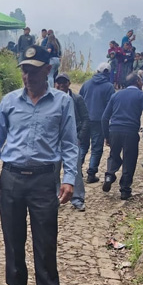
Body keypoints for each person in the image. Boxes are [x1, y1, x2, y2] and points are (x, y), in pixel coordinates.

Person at [0, 45, 78, 285]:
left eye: (34, 71)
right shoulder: (9, 101)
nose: (28, 76)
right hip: (11, 178)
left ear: (48, 70)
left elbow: (70, 144)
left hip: (43, 180)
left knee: (45, 242)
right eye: (24, 70)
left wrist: (69, 178)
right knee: (13, 240)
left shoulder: (62, 102)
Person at [101, 73, 143, 200]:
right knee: (129, 160)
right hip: (130, 131)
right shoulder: (141, 95)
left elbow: (104, 117)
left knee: (114, 155)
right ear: (137, 81)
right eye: (141, 80)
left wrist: (106, 136)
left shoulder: (116, 95)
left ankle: (109, 175)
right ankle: (125, 190)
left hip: (114, 130)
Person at [54, 73, 89, 211]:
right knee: (53, 170)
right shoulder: (51, 99)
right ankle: (55, 197)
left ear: (69, 83)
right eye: (59, 82)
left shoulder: (77, 99)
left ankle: (77, 199)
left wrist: (79, 137)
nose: (61, 85)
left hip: (73, 140)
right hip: (55, 141)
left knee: (75, 170)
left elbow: (85, 118)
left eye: (64, 82)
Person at [79, 62, 115, 183]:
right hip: (99, 121)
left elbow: (79, 100)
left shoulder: (86, 84)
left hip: (84, 119)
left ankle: (77, 170)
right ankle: (91, 174)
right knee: (96, 148)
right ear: (108, 73)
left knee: (82, 146)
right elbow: (111, 106)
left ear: (97, 71)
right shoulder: (109, 87)